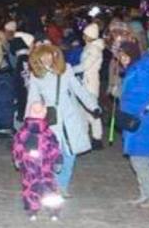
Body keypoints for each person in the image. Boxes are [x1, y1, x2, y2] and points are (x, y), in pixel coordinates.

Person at [26, 43, 100, 197]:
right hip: (50, 118)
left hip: (69, 116)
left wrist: (93, 106)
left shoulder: (66, 70)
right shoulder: (36, 75)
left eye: (49, 54)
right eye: (43, 56)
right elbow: (32, 99)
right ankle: (52, 183)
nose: (46, 58)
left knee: (70, 152)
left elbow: (79, 90)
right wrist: (29, 120)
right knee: (52, 153)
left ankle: (62, 185)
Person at [117, 41, 149, 208]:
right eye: (120, 56)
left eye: (125, 56)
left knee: (139, 160)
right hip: (140, 120)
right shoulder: (137, 68)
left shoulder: (141, 70)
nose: (122, 59)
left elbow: (141, 96)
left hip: (144, 120)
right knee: (139, 159)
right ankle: (145, 194)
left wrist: (123, 102)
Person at [12, 101, 64, 221]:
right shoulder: (47, 133)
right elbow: (54, 148)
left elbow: (17, 146)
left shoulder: (23, 131)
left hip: (31, 165)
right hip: (43, 166)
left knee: (31, 186)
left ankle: (33, 209)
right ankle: (51, 211)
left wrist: (17, 158)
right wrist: (57, 160)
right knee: (48, 186)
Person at [77, 22, 105, 149]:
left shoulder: (93, 50)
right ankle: (86, 137)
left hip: (90, 83)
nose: (83, 36)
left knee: (92, 110)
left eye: (85, 34)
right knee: (83, 110)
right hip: (86, 82)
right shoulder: (90, 47)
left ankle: (97, 138)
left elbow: (85, 66)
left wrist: (69, 70)